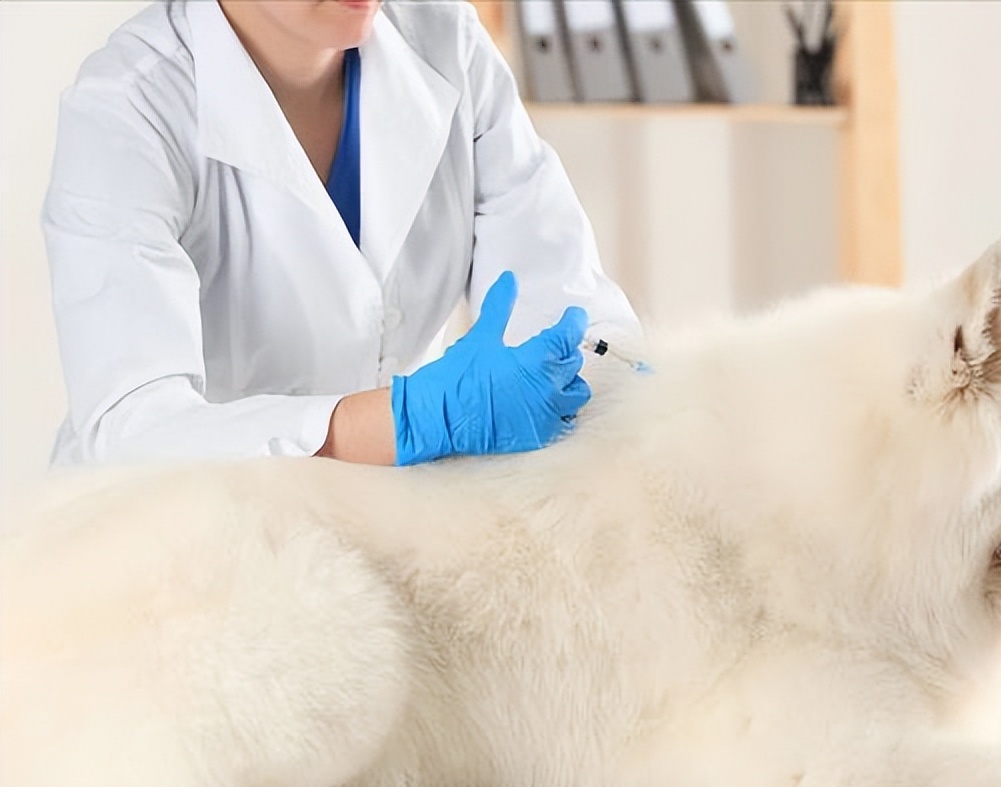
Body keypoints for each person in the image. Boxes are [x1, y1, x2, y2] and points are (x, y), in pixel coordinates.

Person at [42, 0, 640, 468]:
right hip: (173, 559)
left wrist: (614, 380)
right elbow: (132, 432)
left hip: (391, 530)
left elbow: (569, 311)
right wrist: (403, 422)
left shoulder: (447, 44)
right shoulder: (126, 109)